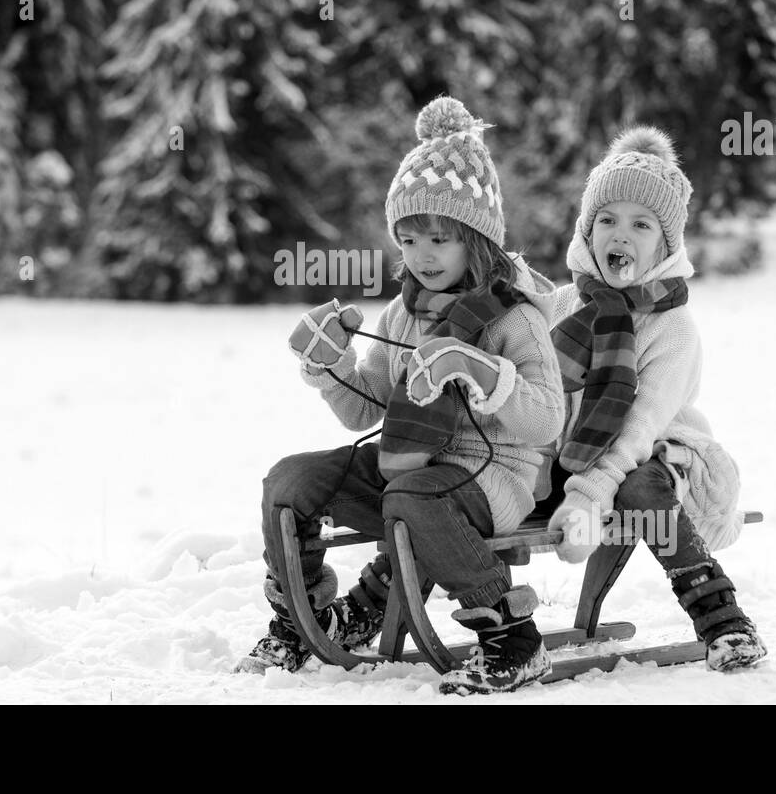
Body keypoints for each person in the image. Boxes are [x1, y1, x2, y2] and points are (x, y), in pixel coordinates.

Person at [235, 96, 566, 694]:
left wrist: (483, 372)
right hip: (404, 468)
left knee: (415, 496)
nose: (423, 255)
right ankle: (301, 620)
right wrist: (328, 364)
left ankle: (514, 641)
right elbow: (366, 408)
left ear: (477, 239)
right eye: (409, 239)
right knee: (291, 481)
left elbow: (545, 421)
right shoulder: (401, 314)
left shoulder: (515, 319)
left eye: (440, 238)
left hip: (495, 477)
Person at [539, 126, 768, 671]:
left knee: (640, 488)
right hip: (568, 461)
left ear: (666, 245)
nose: (621, 234)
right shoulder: (562, 305)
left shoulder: (673, 329)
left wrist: (590, 496)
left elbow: (637, 433)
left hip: (653, 457)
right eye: (607, 220)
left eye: (641, 224)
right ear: (586, 228)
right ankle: (499, 621)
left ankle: (723, 620)